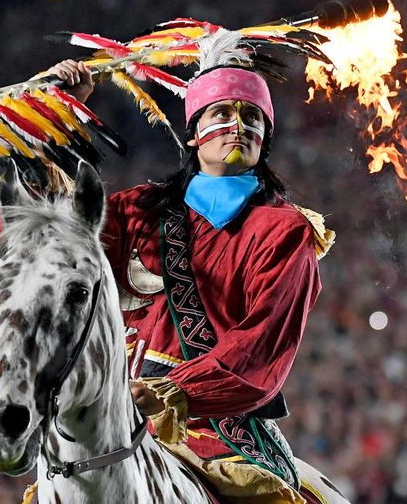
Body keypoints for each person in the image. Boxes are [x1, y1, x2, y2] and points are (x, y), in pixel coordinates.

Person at [47, 55, 335, 503]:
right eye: (222, 113)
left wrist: (173, 391)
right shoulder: (137, 209)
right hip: (111, 413)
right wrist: (62, 119)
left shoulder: (285, 230)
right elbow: (53, 243)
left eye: (252, 116)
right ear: (192, 133)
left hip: (216, 428)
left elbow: (260, 348)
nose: (239, 125)